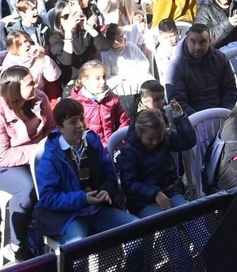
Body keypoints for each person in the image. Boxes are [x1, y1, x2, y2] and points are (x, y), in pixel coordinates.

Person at [32, 97, 138, 247]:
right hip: (69, 216)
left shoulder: (93, 142)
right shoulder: (51, 157)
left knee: (138, 229)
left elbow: (108, 175)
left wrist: (105, 190)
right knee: (77, 247)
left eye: (82, 119)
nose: (80, 126)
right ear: (60, 128)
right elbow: (48, 198)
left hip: (97, 210)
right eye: (72, 122)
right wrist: (83, 199)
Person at [0, 66, 54, 255]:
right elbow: (2, 155)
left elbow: (50, 127)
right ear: (15, 88)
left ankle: (50, 229)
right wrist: (38, 150)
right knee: (26, 187)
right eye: (29, 83)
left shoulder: (39, 98)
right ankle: (17, 243)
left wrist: (48, 147)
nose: (35, 85)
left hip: (34, 155)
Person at [112, 106, 198, 218]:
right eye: (150, 139)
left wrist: (180, 118)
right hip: (142, 201)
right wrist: (154, 193)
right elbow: (129, 184)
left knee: (192, 218)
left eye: (158, 137)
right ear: (139, 133)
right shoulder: (129, 150)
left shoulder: (165, 137)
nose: (155, 142)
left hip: (171, 191)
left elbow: (188, 142)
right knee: (165, 225)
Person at [161, 24, 237, 112]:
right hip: (192, 119)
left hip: (221, 113)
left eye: (202, 42)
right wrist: (201, 121)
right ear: (186, 41)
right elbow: (178, 102)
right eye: (193, 42)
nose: (198, 47)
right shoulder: (175, 68)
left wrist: (226, 111)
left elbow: (229, 90)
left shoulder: (220, 58)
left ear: (210, 42)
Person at [67, 61, 129, 147]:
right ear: (85, 81)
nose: (103, 81)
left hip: (112, 147)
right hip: (90, 150)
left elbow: (124, 121)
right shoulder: (76, 103)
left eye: (104, 77)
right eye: (97, 78)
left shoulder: (112, 99)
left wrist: (118, 141)